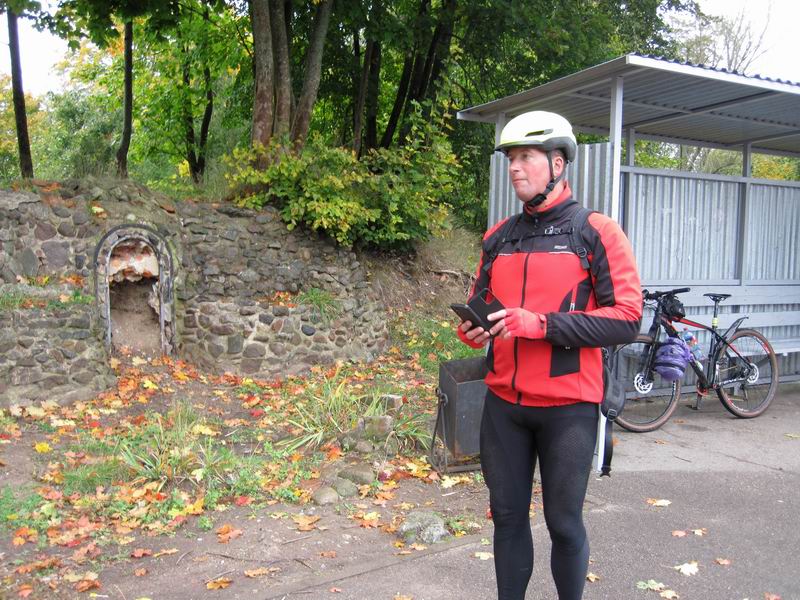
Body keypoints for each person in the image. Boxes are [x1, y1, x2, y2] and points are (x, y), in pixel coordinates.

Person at [457, 111, 642, 600]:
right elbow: (486, 307)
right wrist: (476, 331)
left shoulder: (595, 232)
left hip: (569, 408)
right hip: (504, 407)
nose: (515, 168)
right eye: (510, 159)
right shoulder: (498, 238)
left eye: (526, 157)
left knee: (563, 523)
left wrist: (541, 325)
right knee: (508, 521)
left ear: (558, 163)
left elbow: (627, 318)